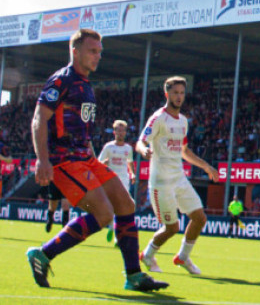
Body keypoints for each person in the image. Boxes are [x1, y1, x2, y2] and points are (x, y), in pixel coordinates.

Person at [25, 29, 167, 292]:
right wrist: (42, 160)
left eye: (100, 52)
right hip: (64, 160)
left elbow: (82, 127)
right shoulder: (62, 80)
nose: (98, 56)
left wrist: (91, 154)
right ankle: (43, 255)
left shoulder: (86, 85)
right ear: (75, 51)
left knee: (126, 203)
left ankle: (133, 276)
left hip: (85, 158)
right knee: (103, 213)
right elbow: (39, 119)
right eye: (92, 51)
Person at [137, 76, 220, 276]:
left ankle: (183, 257)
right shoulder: (158, 118)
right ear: (167, 94)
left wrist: (206, 166)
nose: (179, 96)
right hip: (161, 182)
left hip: (179, 178)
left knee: (200, 218)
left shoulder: (183, 121)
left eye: (182, 93)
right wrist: (144, 150)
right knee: (172, 227)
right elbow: (141, 141)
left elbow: (184, 150)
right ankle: (147, 255)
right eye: (175, 92)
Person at [98, 120, 136, 242]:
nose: (120, 133)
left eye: (122, 130)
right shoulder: (108, 147)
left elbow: (129, 162)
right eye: (118, 130)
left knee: (124, 206)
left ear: (125, 133)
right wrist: (105, 163)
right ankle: (111, 226)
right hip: (110, 180)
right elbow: (98, 163)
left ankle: (117, 236)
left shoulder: (128, 148)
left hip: (124, 180)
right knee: (111, 206)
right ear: (114, 132)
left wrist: (133, 173)